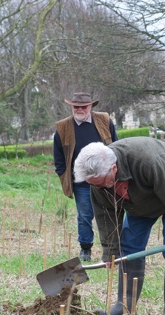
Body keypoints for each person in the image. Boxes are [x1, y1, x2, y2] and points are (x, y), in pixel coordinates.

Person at [73, 138, 165, 315]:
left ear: (113, 168)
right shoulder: (99, 183)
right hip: (141, 198)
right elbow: (106, 216)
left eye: (102, 183)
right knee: (129, 247)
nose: (99, 188)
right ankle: (124, 308)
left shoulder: (148, 160)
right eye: (94, 185)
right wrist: (110, 252)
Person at [53, 92, 118, 262]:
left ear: (91, 106)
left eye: (83, 106)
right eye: (76, 107)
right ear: (71, 107)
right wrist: (64, 175)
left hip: (105, 178)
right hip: (81, 181)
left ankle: (113, 248)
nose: (79, 110)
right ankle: (86, 248)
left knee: (110, 212)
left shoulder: (104, 120)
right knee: (84, 215)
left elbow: (116, 146)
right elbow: (59, 157)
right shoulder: (63, 127)